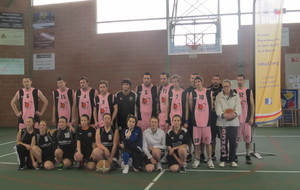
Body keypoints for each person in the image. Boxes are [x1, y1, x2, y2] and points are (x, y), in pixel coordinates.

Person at [189, 76, 214, 169]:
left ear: (202, 82)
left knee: (208, 143)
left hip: (206, 123)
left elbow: (211, 106)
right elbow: (192, 108)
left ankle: (210, 159)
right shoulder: (192, 93)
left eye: (199, 81)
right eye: (195, 82)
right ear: (194, 83)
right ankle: (197, 159)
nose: (197, 83)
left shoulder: (208, 92)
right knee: (196, 143)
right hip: (196, 123)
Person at [215, 79, 241, 168]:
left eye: (227, 86)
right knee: (223, 143)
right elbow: (217, 108)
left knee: (233, 143)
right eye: (224, 86)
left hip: (234, 123)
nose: (226, 88)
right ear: (222, 87)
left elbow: (238, 109)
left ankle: (232, 160)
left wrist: (234, 114)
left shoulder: (236, 96)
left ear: (230, 87)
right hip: (222, 123)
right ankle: (223, 160)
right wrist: (223, 115)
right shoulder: (219, 96)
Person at [235, 74, 255, 164]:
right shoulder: (234, 91)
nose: (239, 81)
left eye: (241, 79)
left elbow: (252, 105)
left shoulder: (248, 91)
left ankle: (248, 155)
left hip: (246, 120)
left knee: (248, 139)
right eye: (238, 79)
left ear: (244, 81)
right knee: (236, 139)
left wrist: (251, 117)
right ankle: (234, 155)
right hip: (236, 120)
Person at [184, 73, 199, 163]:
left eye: (195, 79)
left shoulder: (201, 90)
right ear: (190, 79)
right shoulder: (187, 91)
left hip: (199, 119)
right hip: (189, 118)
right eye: (192, 78)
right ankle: (188, 153)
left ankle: (200, 154)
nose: (194, 80)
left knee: (198, 138)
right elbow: (185, 106)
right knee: (189, 137)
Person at [207, 74, 223, 161]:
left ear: (220, 81)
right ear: (212, 80)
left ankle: (223, 153)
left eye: (217, 79)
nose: (215, 81)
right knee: (212, 137)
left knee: (223, 137)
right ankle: (212, 153)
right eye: (214, 79)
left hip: (221, 117)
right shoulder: (208, 90)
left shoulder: (224, 89)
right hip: (212, 117)